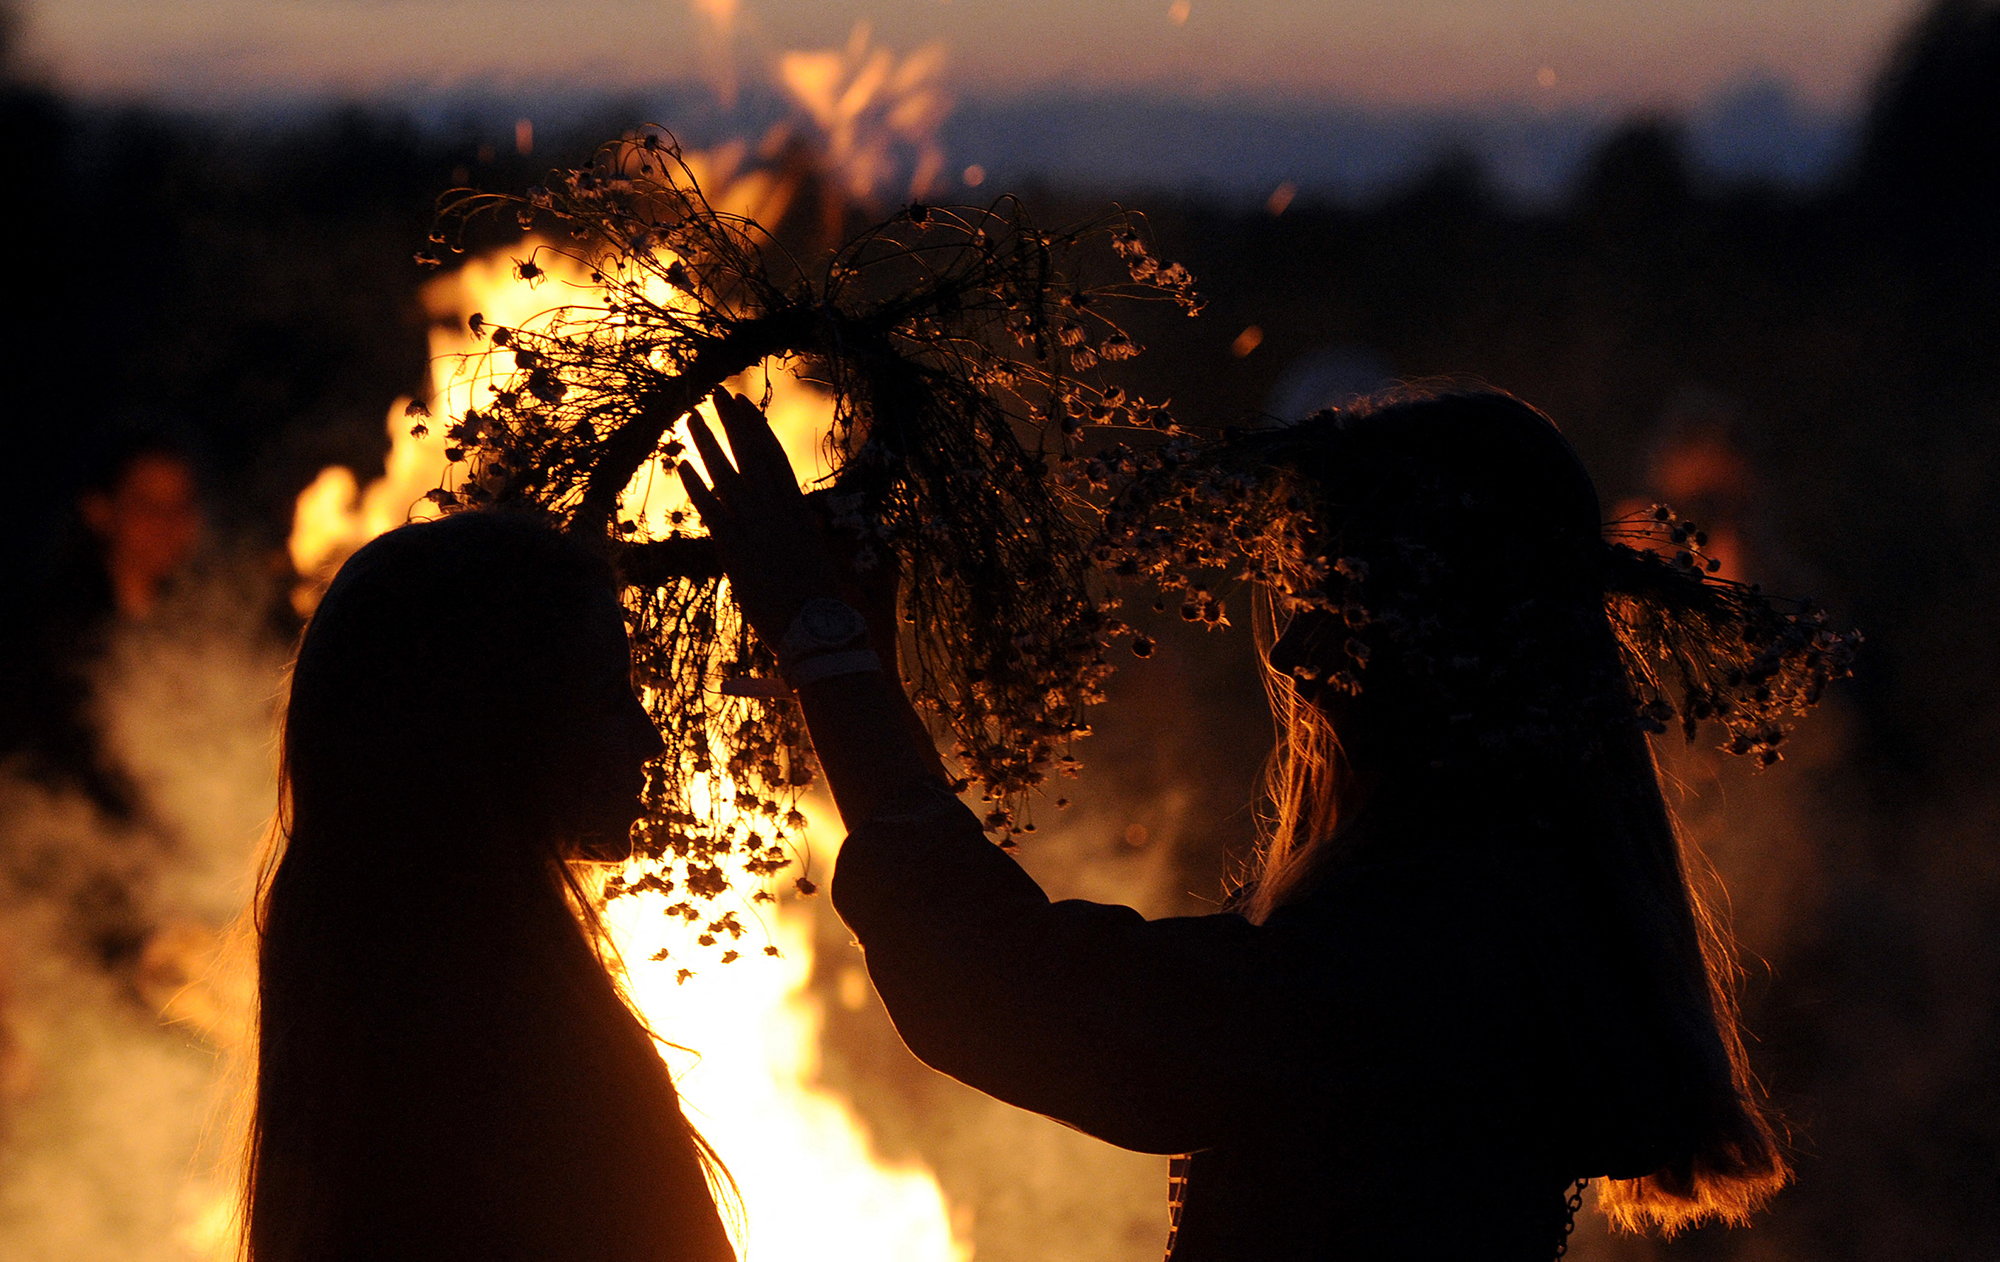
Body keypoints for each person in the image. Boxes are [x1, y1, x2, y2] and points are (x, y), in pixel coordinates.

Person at [680, 386, 1794, 1260]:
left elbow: (1014, 991)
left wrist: (824, 646)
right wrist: (855, 671)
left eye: (1337, 599)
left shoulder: (1439, 942)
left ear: (1443, 633)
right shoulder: (1493, 906)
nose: (1291, 651)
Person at [244, 511, 737, 1262]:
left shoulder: (380, 1019)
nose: (647, 735)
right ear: (500, 722)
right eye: (607, 696)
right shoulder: (502, 1055)